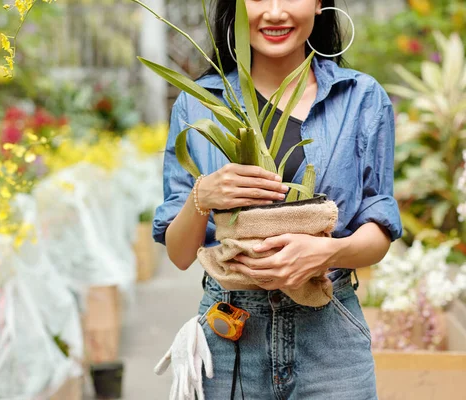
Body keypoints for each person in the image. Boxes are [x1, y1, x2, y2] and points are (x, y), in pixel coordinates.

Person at [152, 0, 403, 399]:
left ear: (320, 5)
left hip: (329, 339)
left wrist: (327, 252)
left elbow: (381, 229)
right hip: (230, 335)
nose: (274, 12)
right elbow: (180, 255)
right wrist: (202, 197)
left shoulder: (360, 98)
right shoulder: (197, 103)